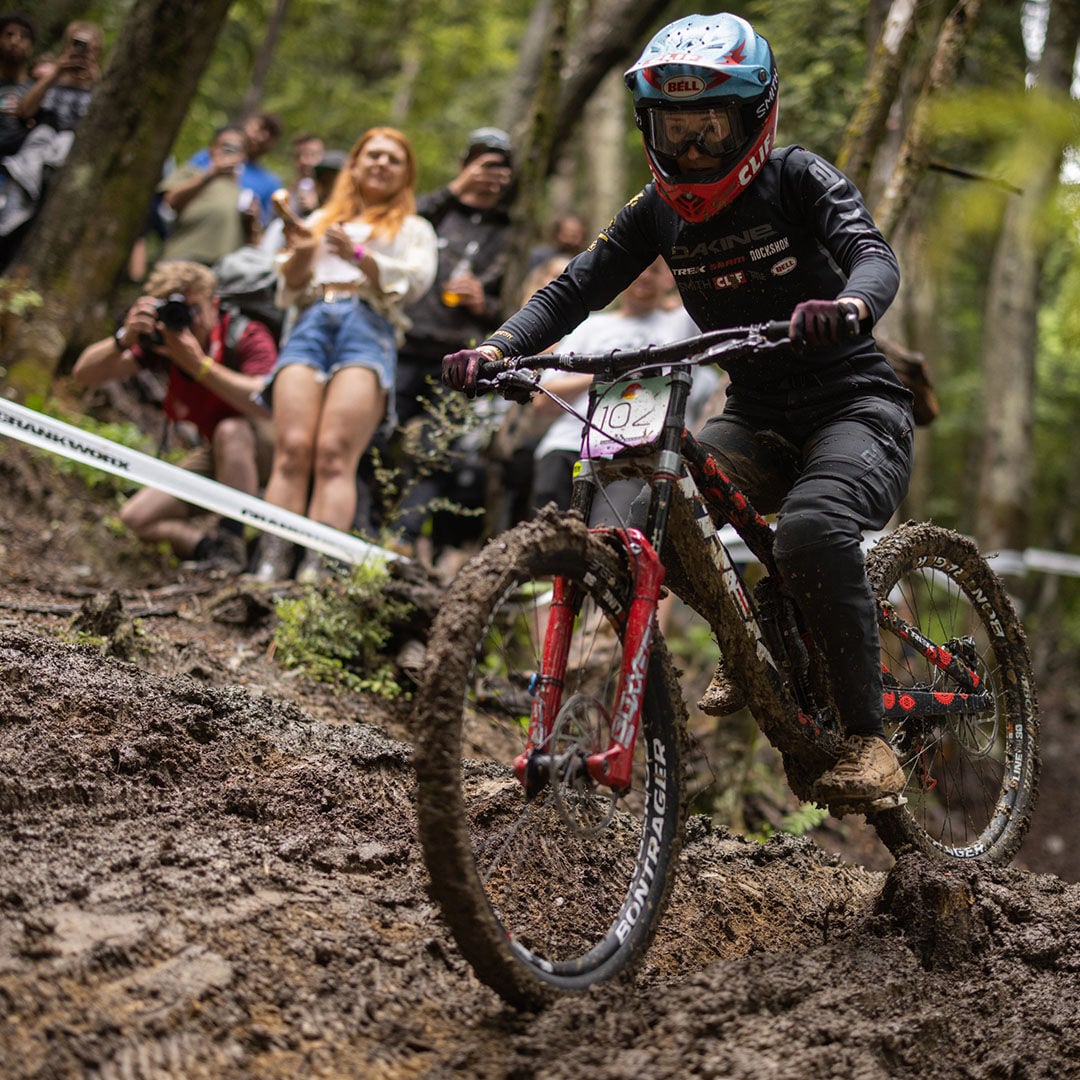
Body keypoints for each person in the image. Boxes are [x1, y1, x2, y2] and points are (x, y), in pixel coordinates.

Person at [442, 13, 916, 811]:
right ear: (648, 127)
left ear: (754, 118)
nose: (692, 149)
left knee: (810, 529)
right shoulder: (655, 212)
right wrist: (499, 349)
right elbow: (574, 288)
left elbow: (873, 253)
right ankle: (758, 634)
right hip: (756, 414)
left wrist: (850, 307)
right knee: (649, 503)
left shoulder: (797, 177)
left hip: (857, 406)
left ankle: (871, 741)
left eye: (710, 127)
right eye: (675, 129)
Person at [252, 126, 437, 582]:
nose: (381, 164)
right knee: (293, 448)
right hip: (312, 319)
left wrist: (357, 254)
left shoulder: (413, 228)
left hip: (367, 324)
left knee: (335, 454)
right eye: (372, 155)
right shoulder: (318, 220)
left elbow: (415, 282)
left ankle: (315, 571)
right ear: (353, 165)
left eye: (393, 159)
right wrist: (301, 251)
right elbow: (288, 286)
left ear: (406, 174)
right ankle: (269, 566)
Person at [72, 260, 277, 572]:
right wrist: (124, 338)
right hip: (219, 453)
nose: (189, 321)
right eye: (177, 310)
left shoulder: (245, 334)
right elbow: (84, 374)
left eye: (194, 308)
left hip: (269, 447)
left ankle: (233, 541)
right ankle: (211, 551)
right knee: (135, 518)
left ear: (215, 305)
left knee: (231, 430)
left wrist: (201, 366)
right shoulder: (164, 344)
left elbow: (265, 402)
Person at [387, 126, 515, 557]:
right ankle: (358, 528)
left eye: (500, 166)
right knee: (378, 437)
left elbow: (520, 304)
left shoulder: (512, 229)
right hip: (403, 344)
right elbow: (401, 222)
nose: (490, 173)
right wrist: (459, 187)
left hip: (460, 357)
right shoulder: (433, 212)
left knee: (434, 452)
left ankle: (401, 542)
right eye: (481, 162)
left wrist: (486, 304)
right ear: (464, 165)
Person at [530, 257, 697, 516]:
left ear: (668, 279)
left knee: (609, 539)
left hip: (636, 453)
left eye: (654, 270)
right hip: (569, 444)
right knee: (549, 542)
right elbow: (542, 401)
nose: (644, 276)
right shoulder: (591, 326)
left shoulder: (682, 323)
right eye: (637, 268)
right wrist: (605, 375)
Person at [0, 20, 102, 269]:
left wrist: (96, 79)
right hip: (32, 166)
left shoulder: (101, 87)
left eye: (88, 47)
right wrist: (57, 70)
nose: (81, 52)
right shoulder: (48, 78)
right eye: (76, 44)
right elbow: (24, 111)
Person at [158, 124, 253, 266]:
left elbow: (254, 242)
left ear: (243, 156)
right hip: (183, 260)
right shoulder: (191, 173)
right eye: (225, 146)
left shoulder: (244, 194)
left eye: (236, 149)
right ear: (212, 149)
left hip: (222, 270)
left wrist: (252, 221)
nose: (229, 152)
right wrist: (211, 174)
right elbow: (171, 201)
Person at [190, 112, 284, 226]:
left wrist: (254, 218)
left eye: (271, 135)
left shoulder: (271, 183)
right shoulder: (210, 156)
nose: (263, 137)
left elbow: (262, 228)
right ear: (247, 125)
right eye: (260, 128)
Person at [0, 12, 34, 157]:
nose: (15, 41)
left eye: (23, 37)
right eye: (9, 35)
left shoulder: (36, 92)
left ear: (31, 47)